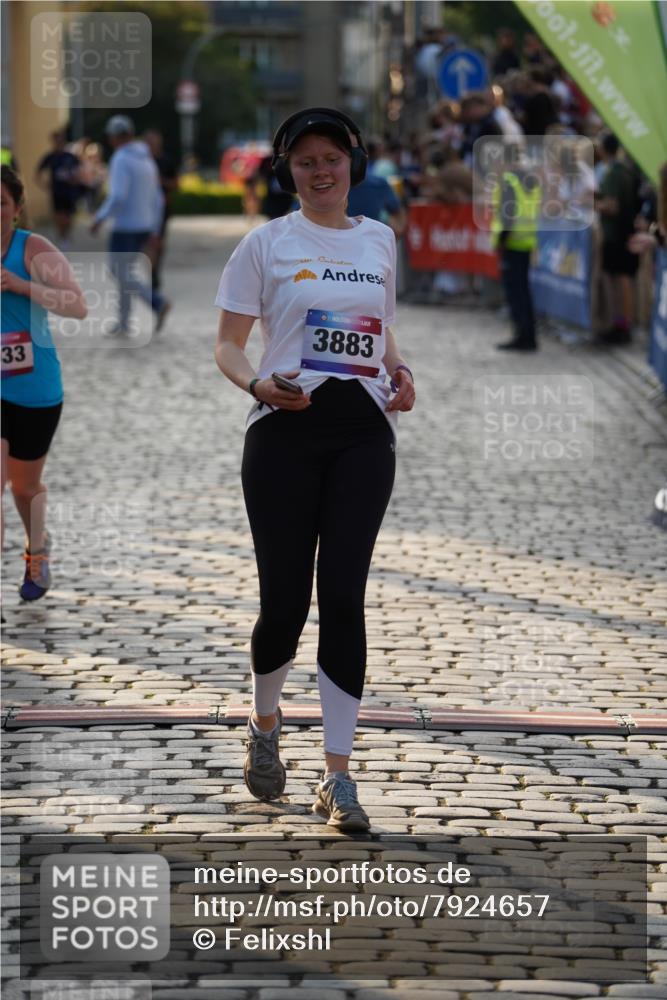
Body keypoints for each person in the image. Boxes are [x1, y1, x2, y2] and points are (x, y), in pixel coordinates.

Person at [214, 107, 415, 832]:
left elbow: (381, 329)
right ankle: (265, 722)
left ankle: (338, 775)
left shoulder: (379, 239)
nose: (321, 171)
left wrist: (400, 372)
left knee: (344, 596)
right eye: (306, 161)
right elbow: (228, 345)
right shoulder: (264, 244)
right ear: (287, 171)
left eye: (332, 158)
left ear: (351, 163)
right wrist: (256, 384)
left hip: (364, 434)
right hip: (283, 433)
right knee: (284, 603)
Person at [1, 165, 87, 599]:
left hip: (34, 387)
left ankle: (37, 547)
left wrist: (22, 286)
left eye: (0, 202)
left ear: (16, 208)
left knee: (25, 487)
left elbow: (77, 306)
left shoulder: (33, 249)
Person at [90, 116, 170, 337]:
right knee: (125, 273)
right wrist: (155, 229)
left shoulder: (121, 159)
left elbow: (117, 196)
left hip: (124, 227)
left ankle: (157, 302)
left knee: (118, 271)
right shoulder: (146, 159)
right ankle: (123, 323)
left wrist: (99, 217)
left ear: (114, 137)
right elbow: (159, 199)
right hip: (144, 226)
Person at [490, 146, 542, 351]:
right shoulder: (530, 179)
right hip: (527, 240)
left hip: (512, 242)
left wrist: (501, 240)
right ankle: (528, 334)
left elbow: (508, 213)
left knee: (515, 292)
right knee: (524, 291)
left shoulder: (508, 181)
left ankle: (522, 336)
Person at [596, 134, 640, 344]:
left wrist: (592, 204)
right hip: (625, 231)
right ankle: (621, 324)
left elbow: (612, 206)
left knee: (620, 280)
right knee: (622, 280)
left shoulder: (615, 172)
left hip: (617, 233)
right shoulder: (625, 170)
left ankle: (622, 325)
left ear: (603, 149)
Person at [143, 129, 178, 291]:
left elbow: (176, 185)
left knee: (158, 243)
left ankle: (154, 273)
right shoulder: (141, 162)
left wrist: (159, 181)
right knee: (146, 243)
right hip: (143, 209)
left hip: (162, 209)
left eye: (153, 142)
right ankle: (150, 272)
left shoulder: (166, 161)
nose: (150, 145)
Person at [35, 129, 81, 249]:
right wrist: (44, 185)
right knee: (58, 216)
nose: (58, 142)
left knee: (68, 217)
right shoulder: (50, 157)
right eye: (56, 140)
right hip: (56, 191)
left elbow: (80, 171)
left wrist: (76, 180)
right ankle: (62, 237)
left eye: (60, 140)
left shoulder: (70, 156)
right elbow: (38, 172)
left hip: (69, 191)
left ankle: (66, 235)